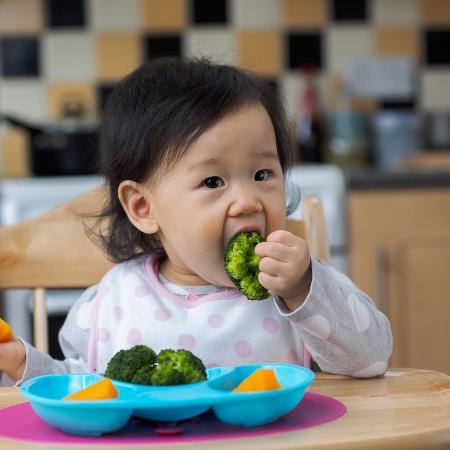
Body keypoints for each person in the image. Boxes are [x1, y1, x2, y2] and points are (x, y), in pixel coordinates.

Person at [0, 57, 392, 385]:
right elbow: (81, 388)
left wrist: (305, 287)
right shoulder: (111, 302)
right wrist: (25, 365)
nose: (247, 201)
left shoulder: (297, 290)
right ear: (143, 208)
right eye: (212, 182)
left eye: (262, 174)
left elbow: (371, 360)